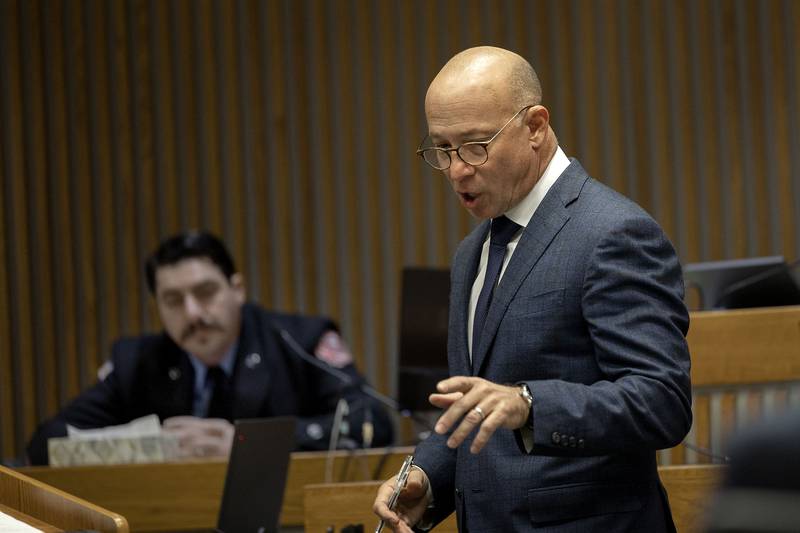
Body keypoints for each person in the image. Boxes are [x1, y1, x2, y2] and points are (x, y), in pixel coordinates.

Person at [373, 46, 692, 532]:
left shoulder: (613, 233)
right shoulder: (471, 253)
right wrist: (425, 479)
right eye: (441, 149)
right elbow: (475, 409)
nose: (458, 169)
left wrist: (529, 404)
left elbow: (661, 401)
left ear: (536, 126)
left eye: (476, 145)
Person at [27, 230, 393, 465]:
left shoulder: (300, 340)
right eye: (173, 300)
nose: (193, 313)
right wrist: (147, 448)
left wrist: (248, 445)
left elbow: (371, 423)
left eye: (205, 293)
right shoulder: (136, 362)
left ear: (237, 289)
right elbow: (47, 443)